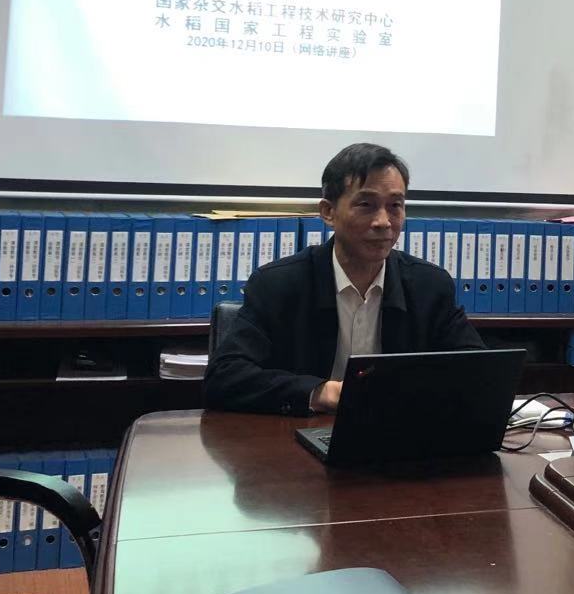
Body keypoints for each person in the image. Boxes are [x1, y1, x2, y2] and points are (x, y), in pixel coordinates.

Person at [203, 142, 485, 415]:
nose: (383, 222)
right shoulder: (278, 284)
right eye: (366, 205)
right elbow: (224, 377)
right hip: (299, 434)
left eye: (395, 206)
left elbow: (478, 371)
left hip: (398, 433)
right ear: (328, 212)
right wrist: (320, 393)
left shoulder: (429, 286)